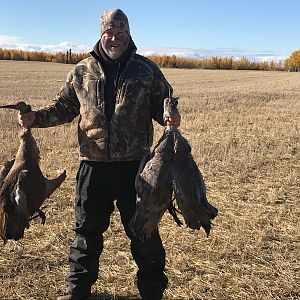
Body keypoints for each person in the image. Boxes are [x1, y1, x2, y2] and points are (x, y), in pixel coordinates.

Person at [19, 8, 181, 300]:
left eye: (121, 34)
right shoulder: (81, 71)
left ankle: (152, 293)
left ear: (129, 35)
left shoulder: (146, 70)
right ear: (101, 34)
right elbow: (63, 109)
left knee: (144, 233)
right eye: (110, 33)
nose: (115, 39)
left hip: (137, 169)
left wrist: (171, 114)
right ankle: (77, 293)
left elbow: (164, 104)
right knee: (86, 235)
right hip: (92, 166)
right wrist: (35, 118)